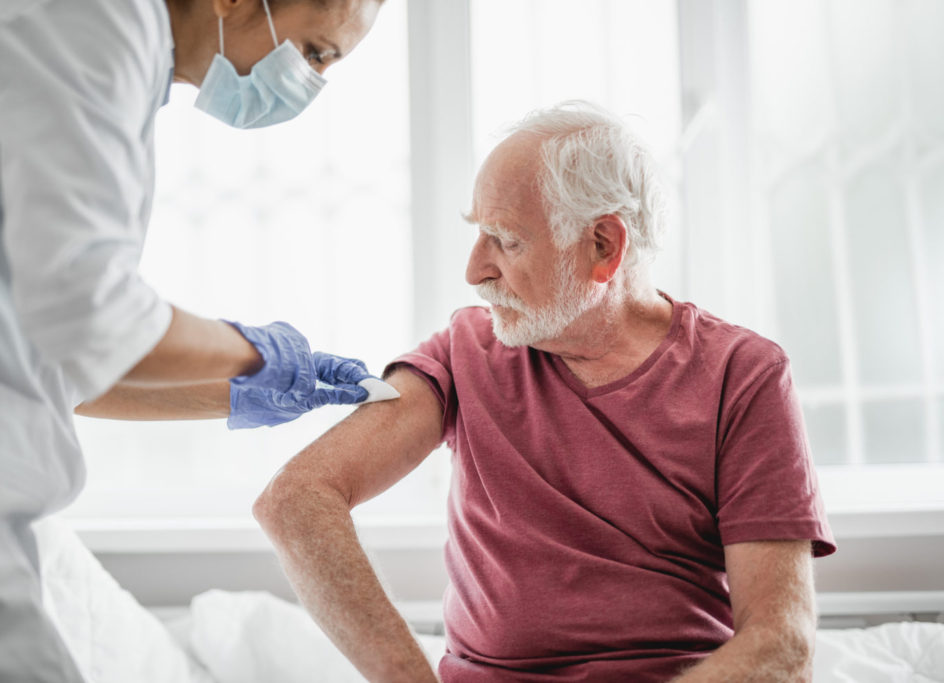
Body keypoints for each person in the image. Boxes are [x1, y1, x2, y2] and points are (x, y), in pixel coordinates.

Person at [254, 102, 837, 682]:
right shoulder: (464, 352)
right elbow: (297, 499)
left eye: (505, 241)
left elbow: (781, 646)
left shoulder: (744, 375)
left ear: (603, 246)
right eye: (478, 234)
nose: (475, 271)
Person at [0, 0, 384, 679]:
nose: (308, 85)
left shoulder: (123, 55)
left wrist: (238, 390)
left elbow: (63, 363)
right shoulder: (96, 18)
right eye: (314, 53)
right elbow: (91, 315)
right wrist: (255, 355)